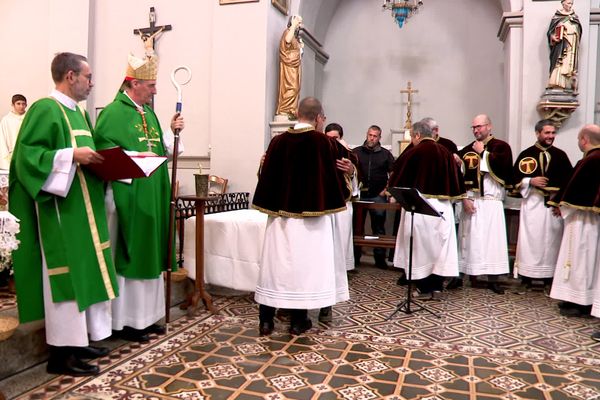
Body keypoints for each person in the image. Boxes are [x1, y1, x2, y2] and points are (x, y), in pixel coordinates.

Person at [9, 52, 118, 376]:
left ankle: (78, 340)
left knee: (86, 272)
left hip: (85, 209)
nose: (91, 82)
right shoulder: (45, 108)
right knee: (66, 277)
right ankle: (60, 353)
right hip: (59, 211)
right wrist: (71, 154)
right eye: (88, 76)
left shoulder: (80, 114)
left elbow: (91, 154)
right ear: (70, 76)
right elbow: (26, 158)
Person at [94, 48, 184, 342]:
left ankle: (146, 318)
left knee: (150, 255)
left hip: (151, 197)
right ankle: (127, 321)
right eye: (151, 85)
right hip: (126, 198)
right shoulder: (112, 113)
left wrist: (172, 133)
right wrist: (135, 156)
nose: (155, 90)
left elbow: (161, 152)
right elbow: (104, 153)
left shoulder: (149, 114)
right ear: (133, 83)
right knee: (130, 255)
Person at [253, 97, 350, 336]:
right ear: (318, 118)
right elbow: (344, 175)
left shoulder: (277, 142)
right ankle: (298, 321)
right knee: (305, 269)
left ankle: (266, 320)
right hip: (312, 221)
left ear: (297, 113)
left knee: (275, 266)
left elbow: (264, 175)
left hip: (279, 219)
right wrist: (352, 171)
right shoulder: (325, 143)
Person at [387, 121, 466, 299]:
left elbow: (397, 179)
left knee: (420, 250)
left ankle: (423, 288)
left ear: (417, 135)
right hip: (442, 208)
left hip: (420, 208)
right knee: (439, 251)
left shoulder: (413, 152)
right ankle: (437, 287)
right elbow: (457, 183)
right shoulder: (446, 152)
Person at [512, 120, 573, 292]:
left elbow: (568, 182)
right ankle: (528, 275)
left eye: (553, 133)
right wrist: (530, 180)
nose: (550, 136)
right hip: (533, 205)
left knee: (552, 240)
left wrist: (560, 203)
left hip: (552, 207)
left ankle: (549, 277)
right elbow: (513, 178)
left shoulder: (560, 155)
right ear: (538, 133)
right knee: (532, 240)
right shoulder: (526, 154)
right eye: (547, 133)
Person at [457, 114, 514, 294]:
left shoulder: (501, 147)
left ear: (489, 126)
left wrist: (484, 153)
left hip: (491, 202)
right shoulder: (467, 149)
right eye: (473, 127)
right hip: (471, 200)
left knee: (492, 242)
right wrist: (459, 163)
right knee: (468, 240)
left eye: (479, 126)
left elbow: (504, 170)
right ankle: (460, 276)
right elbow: (459, 175)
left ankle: (493, 279)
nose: (476, 130)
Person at [549, 124, 600, 319]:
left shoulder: (591, 160)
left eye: (579, 139)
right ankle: (576, 298)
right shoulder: (591, 159)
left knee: (581, 258)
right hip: (586, 218)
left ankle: (580, 302)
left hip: (584, 220)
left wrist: (561, 205)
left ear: (584, 139)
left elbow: (575, 192)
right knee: (582, 258)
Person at [322, 122, 359, 322]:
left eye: (335, 138)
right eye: (329, 137)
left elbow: (356, 185)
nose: (332, 141)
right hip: (321, 209)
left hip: (341, 208)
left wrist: (351, 171)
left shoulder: (348, 154)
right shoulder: (318, 151)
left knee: (336, 254)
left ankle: (328, 303)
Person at [352, 125, 395, 268]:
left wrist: (386, 190)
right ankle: (355, 257)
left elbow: (393, 174)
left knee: (379, 228)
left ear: (379, 138)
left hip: (378, 196)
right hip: (360, 195)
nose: (372, 138)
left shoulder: (385, 154)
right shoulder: (356, 152)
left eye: (375, 136)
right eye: (370, 135)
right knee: (356, 228)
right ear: (367, 134)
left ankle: (380, 259)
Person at [547, 0, 582, 91]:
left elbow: (579, 30)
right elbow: (550, 32)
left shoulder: (574, 17)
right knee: (560, 62)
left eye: (571, 3)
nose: (570, 5)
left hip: (572, 43)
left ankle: (567, 83)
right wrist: (553, 37)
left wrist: (575, 32)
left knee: (569, 64)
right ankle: (557, 82)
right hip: (562, 44)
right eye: (568, 3)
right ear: (563, 3)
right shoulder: (556, 17)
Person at [275, 15, 303, 119]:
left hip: (294, 66)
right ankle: (285, 110)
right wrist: (294, 25)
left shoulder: (295, 37)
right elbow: (287, 40)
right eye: (298, 22)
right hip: (289, 66)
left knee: (296, 88)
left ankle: (291, 109)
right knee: (292, 88)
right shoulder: (288, 32)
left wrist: (300, 48)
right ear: (293, 22)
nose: (300, 25)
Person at [0, 94, 27, 170]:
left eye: (23, 104)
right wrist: (5, 161)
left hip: (26, 154)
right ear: (13, 104)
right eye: (18, 103)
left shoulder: (29, 119)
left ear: (26, 105)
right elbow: (2, 141)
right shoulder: (6, 120)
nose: (21, 106)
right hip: (11, 156)